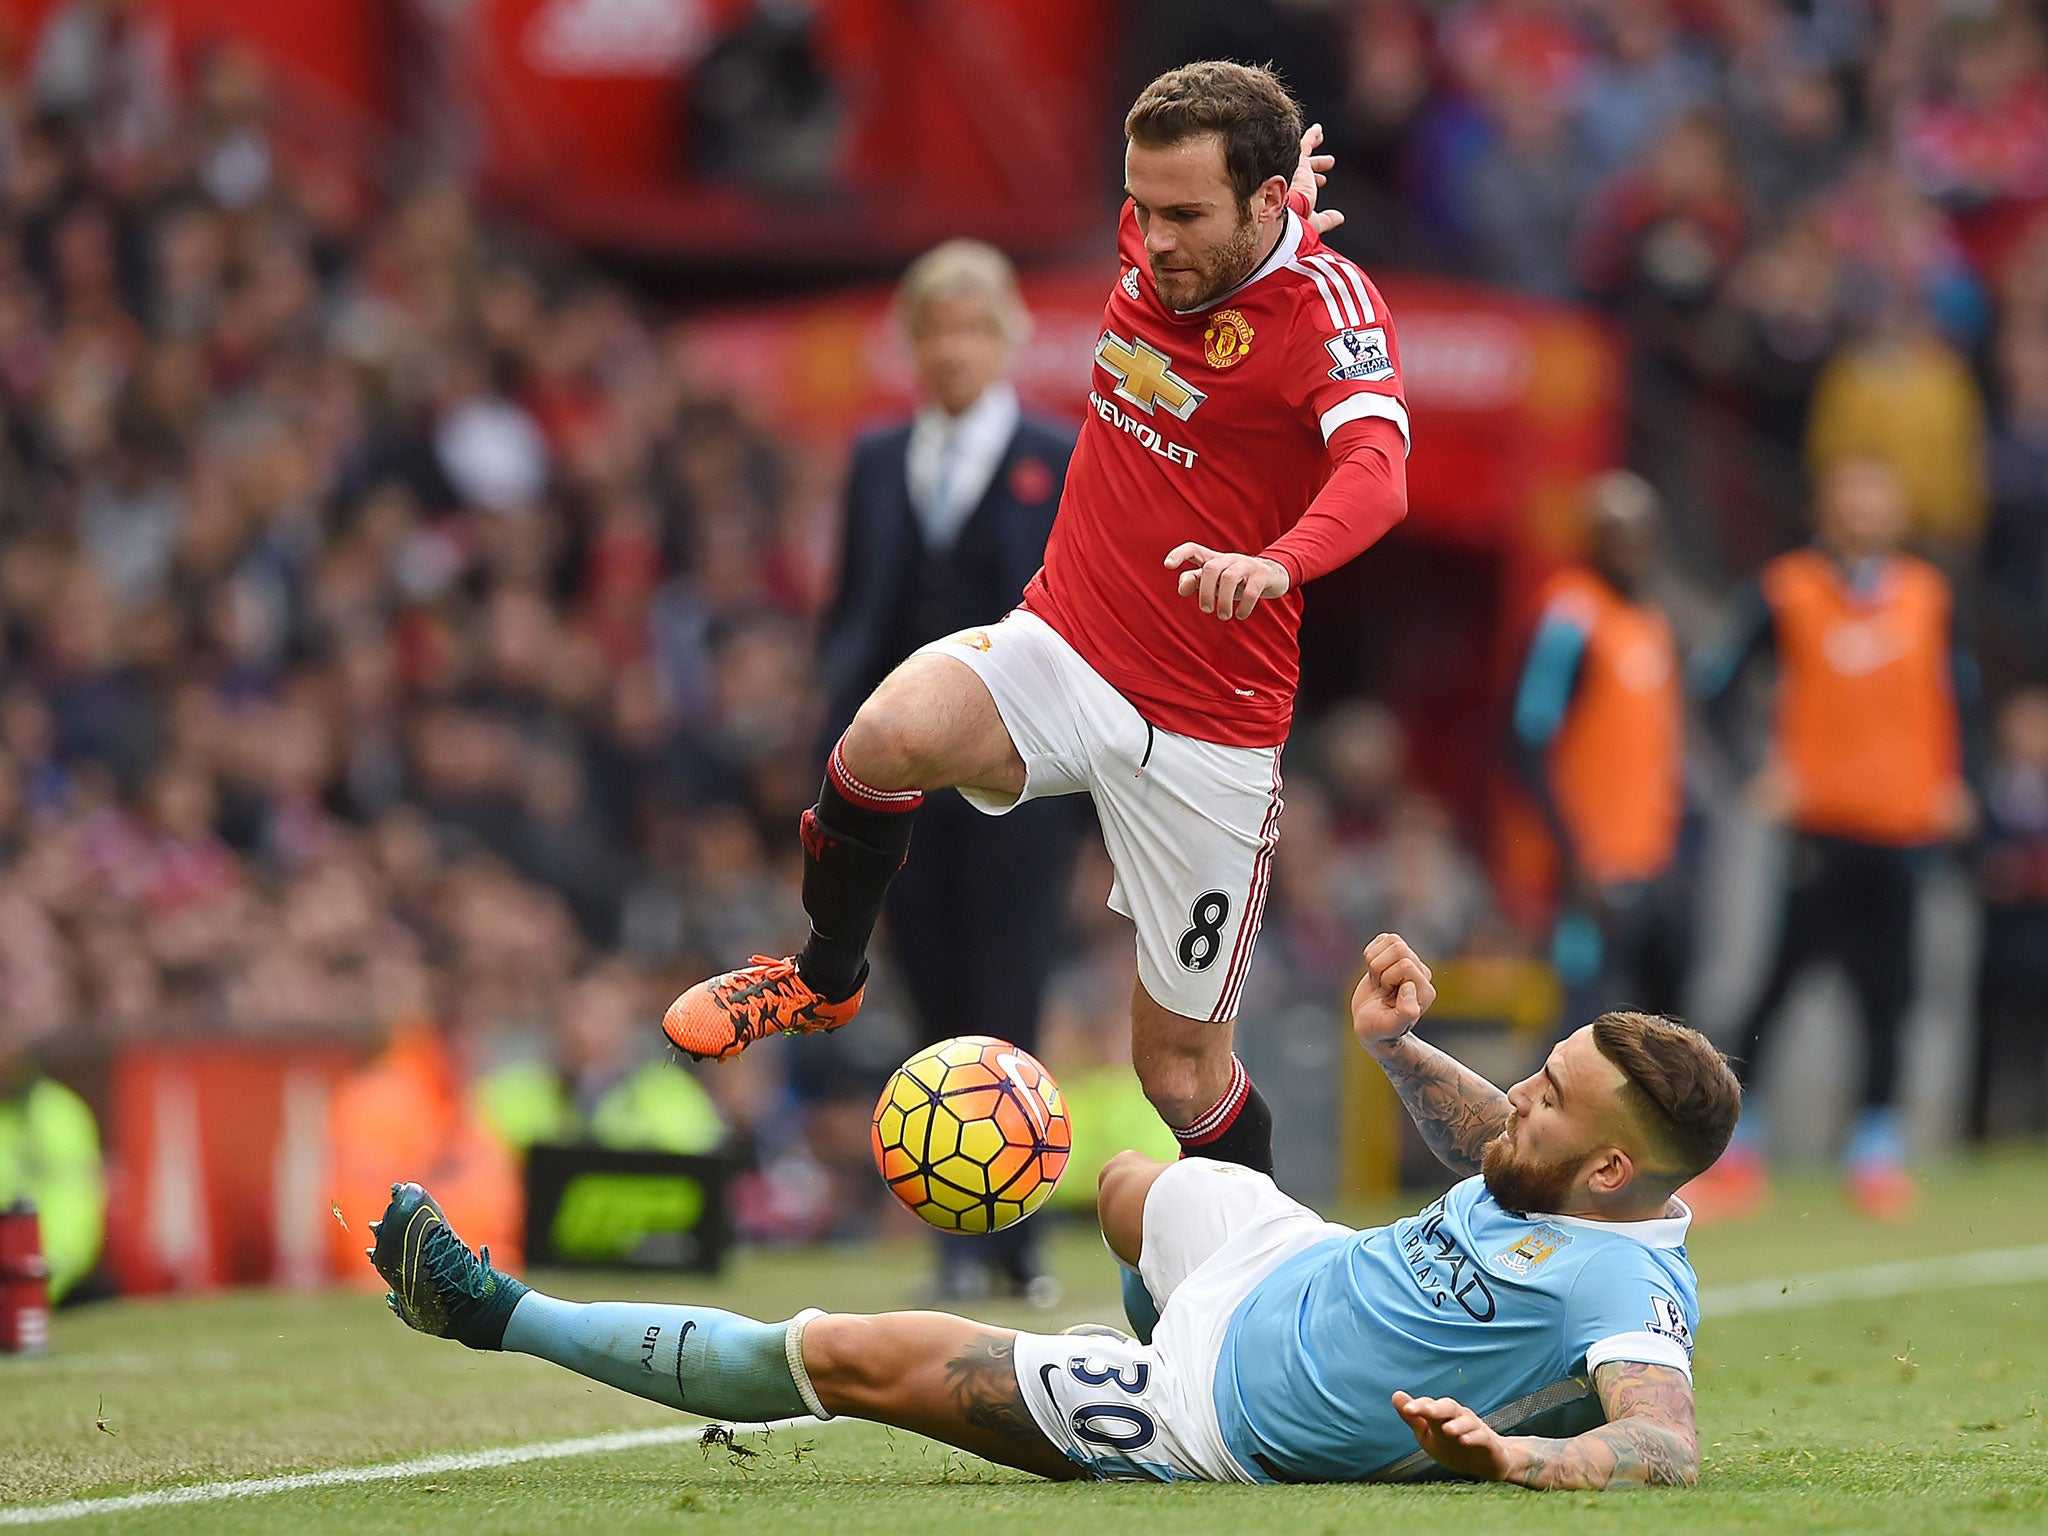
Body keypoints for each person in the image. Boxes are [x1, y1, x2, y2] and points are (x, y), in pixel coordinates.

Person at [663, 63, 1410, 1240]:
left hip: (1209, 727)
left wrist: (1280, 562)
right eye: (1142, 208)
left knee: (1178, 1074)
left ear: (1268, 203)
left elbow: (1375, 470)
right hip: (1066, 642)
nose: (1152, 242)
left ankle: (1270, 1282)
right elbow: (1203, 228)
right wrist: (1243, 214)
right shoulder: (1180, 224)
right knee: (884, 735)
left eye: (1184, 216)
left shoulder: (1328, 310)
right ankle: (823, 975)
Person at [369, 933, 1736, 1490]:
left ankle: (496, 1314)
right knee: (1138, 1187)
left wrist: (1520, 1460)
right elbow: (1497, 1135)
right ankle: (1134, 1320)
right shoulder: (1559, 1163)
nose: (1518, 1102)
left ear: (1615, 1172)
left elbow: (1664, 1449)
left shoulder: (1625, 1293)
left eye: (1553, 1100)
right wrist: (1392, 1050)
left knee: (854, 1356)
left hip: (1213, 1418)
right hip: (1286, 1263)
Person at [818, 239, 1081, 1303]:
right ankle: (960, 1228)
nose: (954, 351)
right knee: (926, 991)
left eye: (973, 329)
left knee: (1006, 992)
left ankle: (1005, 1235)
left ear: (1006, 336)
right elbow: (851, 620)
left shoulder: (1054, 455)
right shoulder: (879, 460)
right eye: (936, 331)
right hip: (900, 776)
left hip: (1017, 776)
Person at [1687, 457, 1978, 1223]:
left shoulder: (1927, 595)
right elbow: (1714, 684)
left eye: (1877, 494)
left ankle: (1875, 1154)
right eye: (1850, 493)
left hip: (1901, 828)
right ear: (1826, 504)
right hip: (1818, 827)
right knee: (1776, 989)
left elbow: (1963, 697)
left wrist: (1958, 780)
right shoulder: (1786, 589)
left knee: (1892, 995)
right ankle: (1740, 1150)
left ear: (1898, 509)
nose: (1863, 508)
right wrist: (1757, 767)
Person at [1509, 472, 1688, 1027]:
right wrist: (1573, 856)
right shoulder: (1570, 618)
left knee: (1658, 1017)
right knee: (1578, 1016)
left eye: (1640, 533)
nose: (1630, 548)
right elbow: (1522, 742)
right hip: (1587, 873)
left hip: (1648, 864)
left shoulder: (1651, 623)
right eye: (1615, 533)